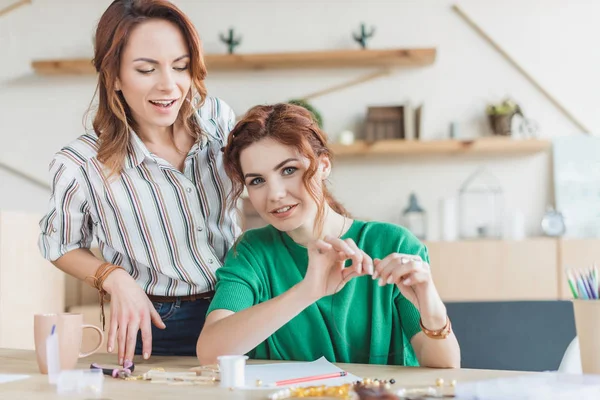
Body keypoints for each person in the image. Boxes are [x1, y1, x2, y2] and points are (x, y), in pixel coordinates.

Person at [38, 0, 239, 364]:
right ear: (113, 76)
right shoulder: (80, 163)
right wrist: (113, 278)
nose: (170, 85)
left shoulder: (217, 119)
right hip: (160, 322)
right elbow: (57, 244)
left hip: (241, 302)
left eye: (181, 66)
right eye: (147, 69)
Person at [196, 104, 461, 367]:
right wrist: (307, 291)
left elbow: (446, 366)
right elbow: (210, 353)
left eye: (289, 170)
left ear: (323, 166)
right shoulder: (252, 252)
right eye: (257, 181)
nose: (274, 194)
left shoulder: (393, 244)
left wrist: (431, 305)